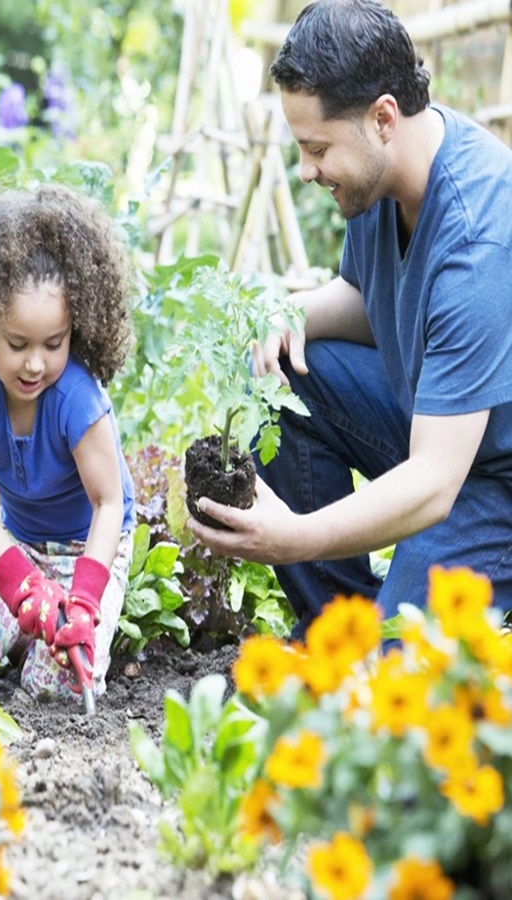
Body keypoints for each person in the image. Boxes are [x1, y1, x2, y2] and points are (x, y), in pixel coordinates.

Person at [187, 0, 512, 640]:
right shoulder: (378, 181)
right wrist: (287, 313)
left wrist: (296, 538)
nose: (307, 171)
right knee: (284, 372)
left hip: (491, 483)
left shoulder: (480, 242)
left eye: (316, 149)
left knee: (400, 674)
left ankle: (378, 646)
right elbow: (375, 300)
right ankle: (338, 631)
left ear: (382, 117)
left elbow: (435, 483)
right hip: (436, 426)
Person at [0, 183, 136, 699]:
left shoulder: (77, 400)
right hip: (13, 543)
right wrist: (20, 586)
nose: (35, 363)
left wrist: (83, 601)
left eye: (54, 343)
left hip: (89, 550)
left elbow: (109, 504)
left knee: (56, 689)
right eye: (17, 344)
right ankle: (18, 627)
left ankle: (37, 639)